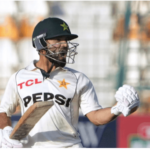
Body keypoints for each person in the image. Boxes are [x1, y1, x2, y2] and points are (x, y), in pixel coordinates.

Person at [0, 17, 140, 148]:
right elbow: (3, 112)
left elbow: (95, 117)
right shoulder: (19, 77)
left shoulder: (78, 78)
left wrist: (116, 108)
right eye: (58, 40)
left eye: (66, 40)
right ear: (40, 43)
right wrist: (6, 129)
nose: (65, 45)